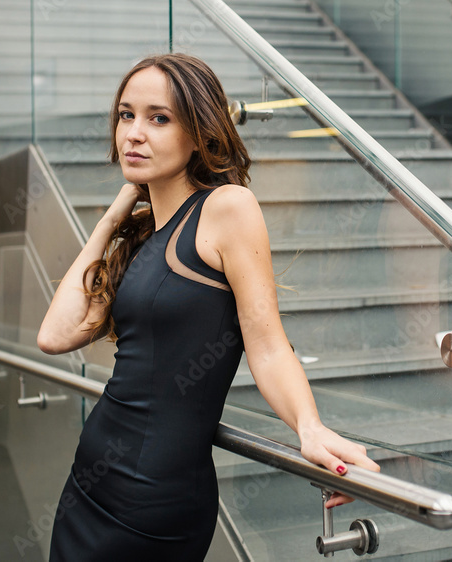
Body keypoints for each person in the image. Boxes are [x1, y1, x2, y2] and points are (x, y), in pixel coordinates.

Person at [37, 53, 379, 561]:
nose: (133, 132)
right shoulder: (144, 235)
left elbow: (266, 345)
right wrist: (110, 221)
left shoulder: (227, 208)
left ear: (198, 133)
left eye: (159, 118)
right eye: (126, 115)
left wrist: (309, 427)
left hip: (153, 499)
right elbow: (55, 335)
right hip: (90, 484)